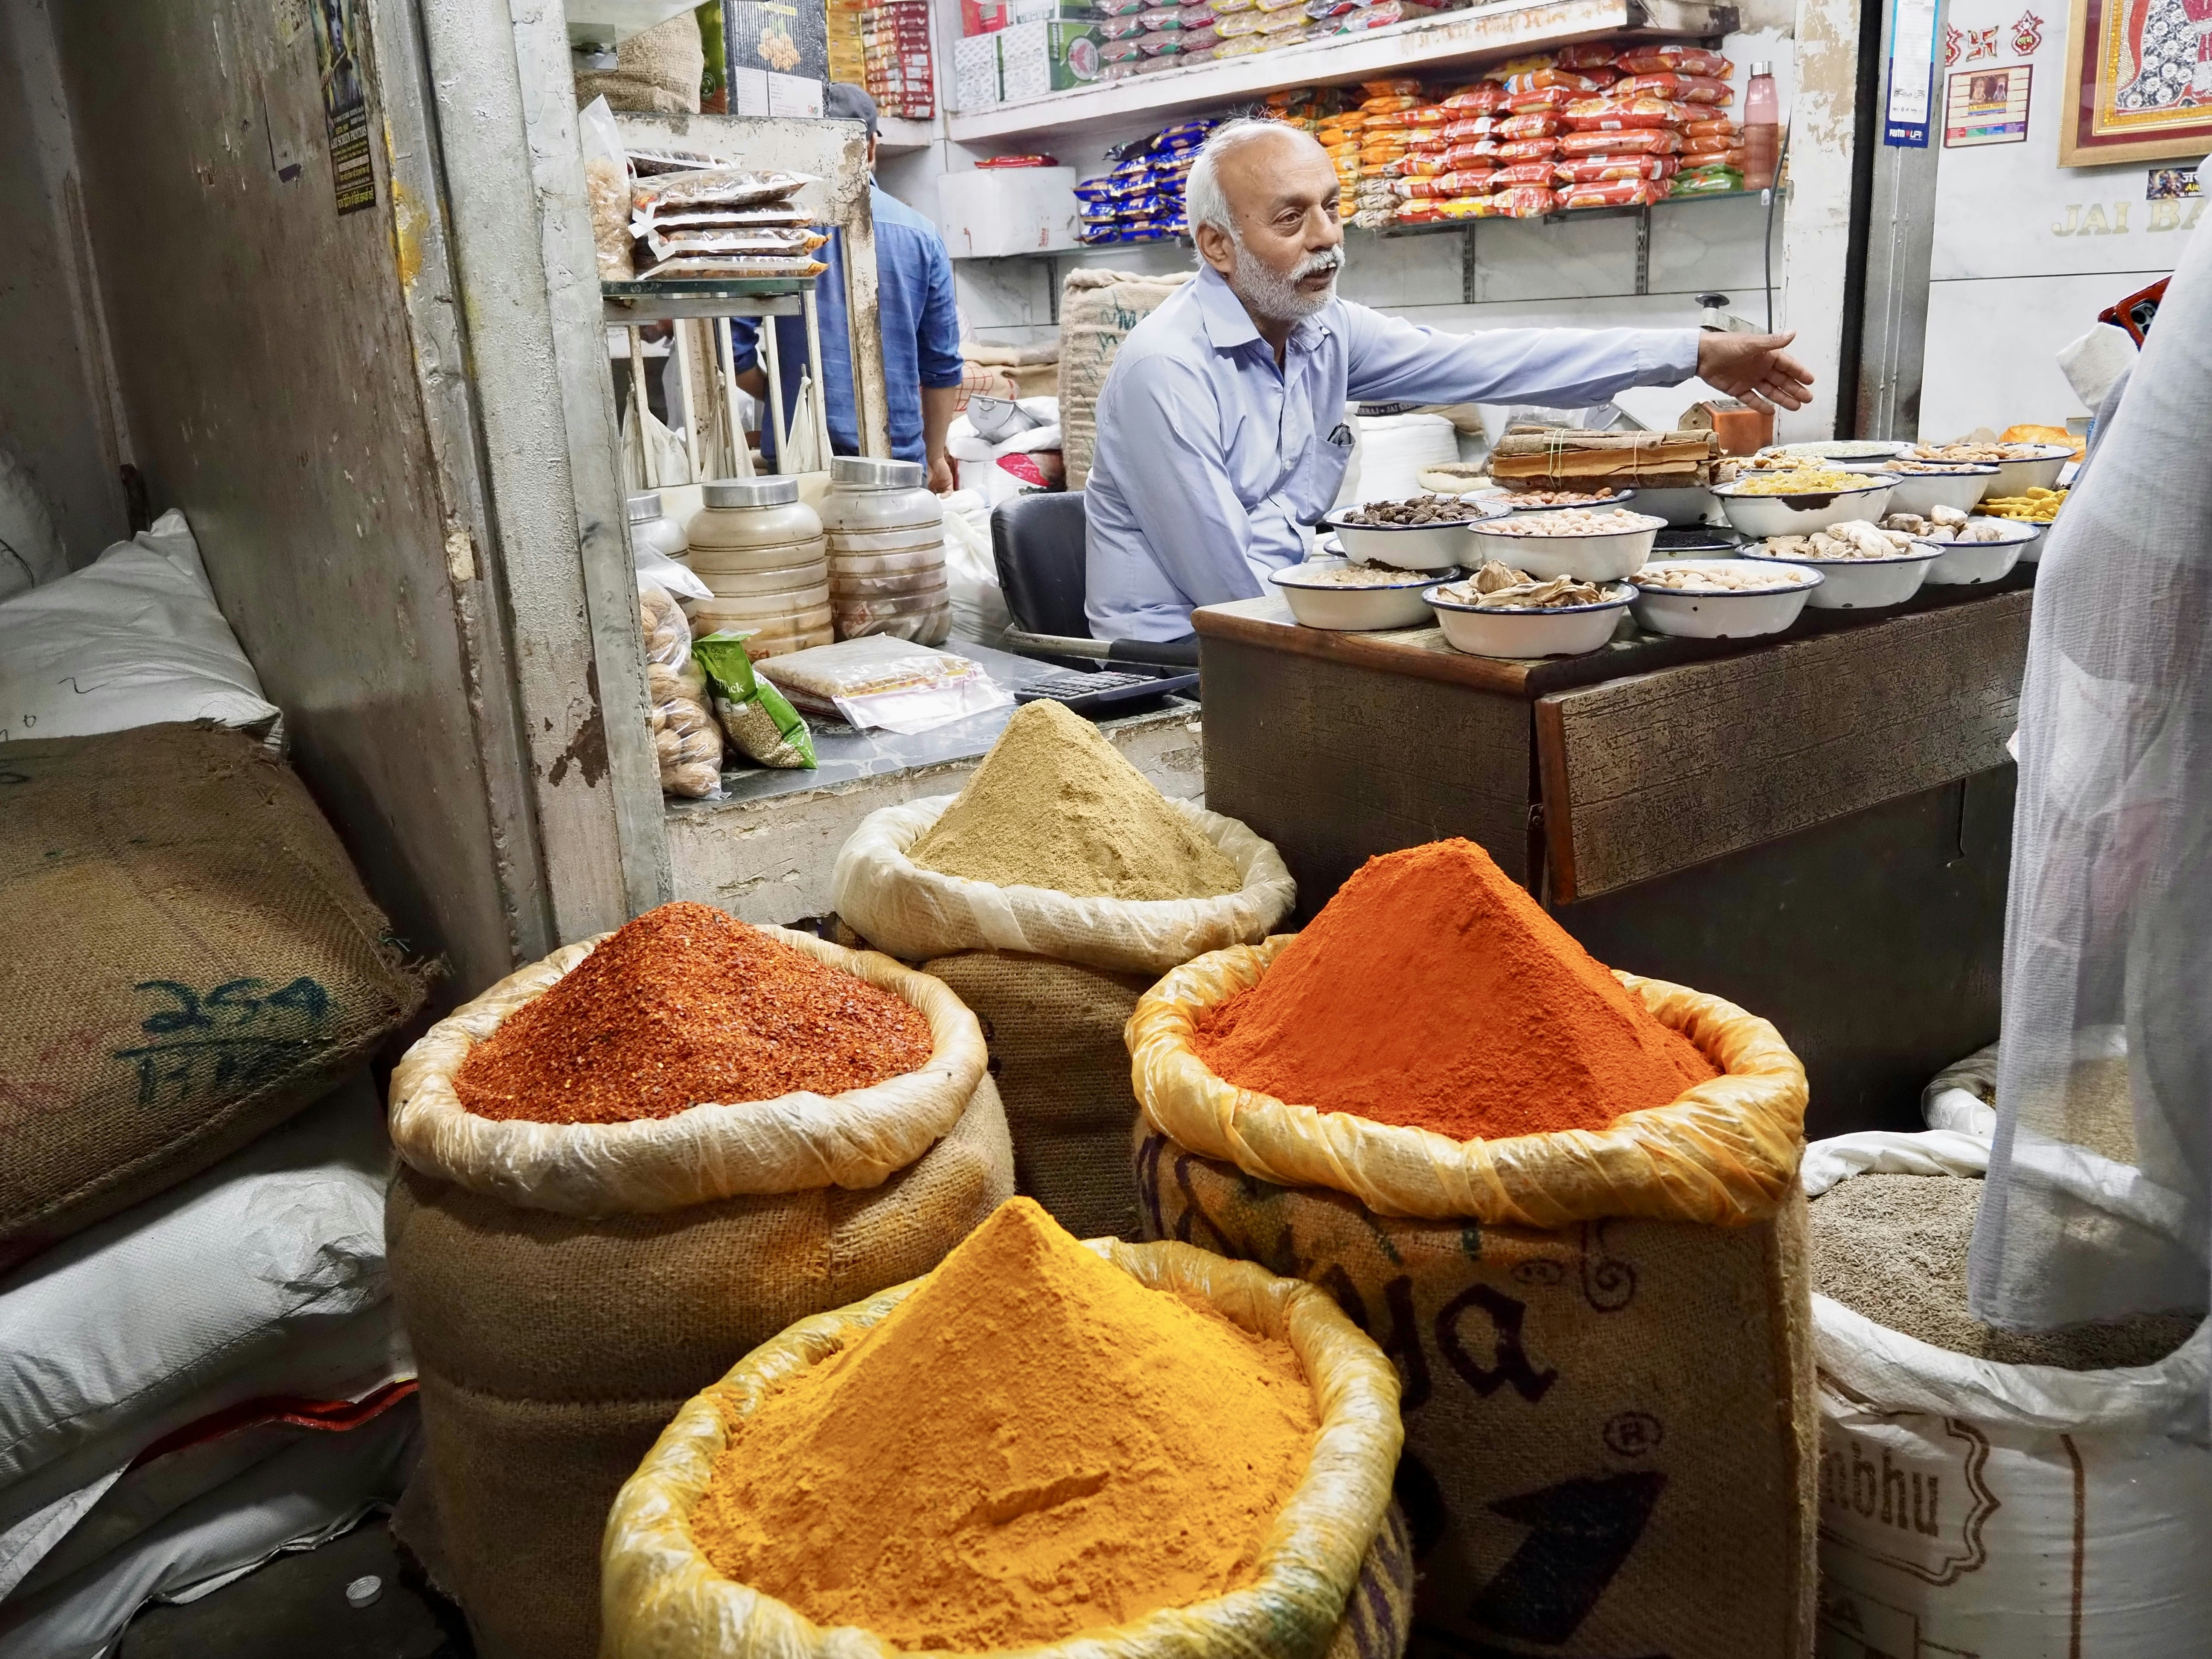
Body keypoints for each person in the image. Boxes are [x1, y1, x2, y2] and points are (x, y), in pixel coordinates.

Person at [1083, 119, 1815, 644]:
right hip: (1177, 656)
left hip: (1283, 615)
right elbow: (1228, 592)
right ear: (1217, 246)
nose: (1327, 237)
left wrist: (1691, 352)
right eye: (1290, 219)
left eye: (1332, 208)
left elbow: (1494, 362)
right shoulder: (1166, 370)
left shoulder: (1323, 327)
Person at [733, 84, 963, 488]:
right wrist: (933, 456)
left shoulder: (774, 232)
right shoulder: (922, 235)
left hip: (801, 461)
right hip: (896, 465)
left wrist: (786, 398)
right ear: (871, 148)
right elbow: (942, 367)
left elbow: (733, 354)